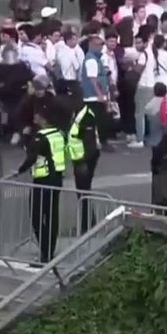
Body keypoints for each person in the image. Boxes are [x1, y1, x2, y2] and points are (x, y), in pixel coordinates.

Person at [14, 104, 66, 264]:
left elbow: (31, 158)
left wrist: (19, 170)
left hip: (43, 179)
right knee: (52, 215)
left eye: (37, 115)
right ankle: (50, 249)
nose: (34, 118)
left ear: (43, 118)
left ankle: (45, 252)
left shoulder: (40, 136)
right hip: (57, 177)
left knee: (37, 216)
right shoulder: (58, 134)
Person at [69, 96, 103, 234]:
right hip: (80, 159)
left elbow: (89, 143)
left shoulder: (86, 116)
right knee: (83, 193)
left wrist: (83, 163)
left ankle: (87, 225)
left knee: (83, 193)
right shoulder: (80, 113)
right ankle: (89, 222)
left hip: (84, 160)